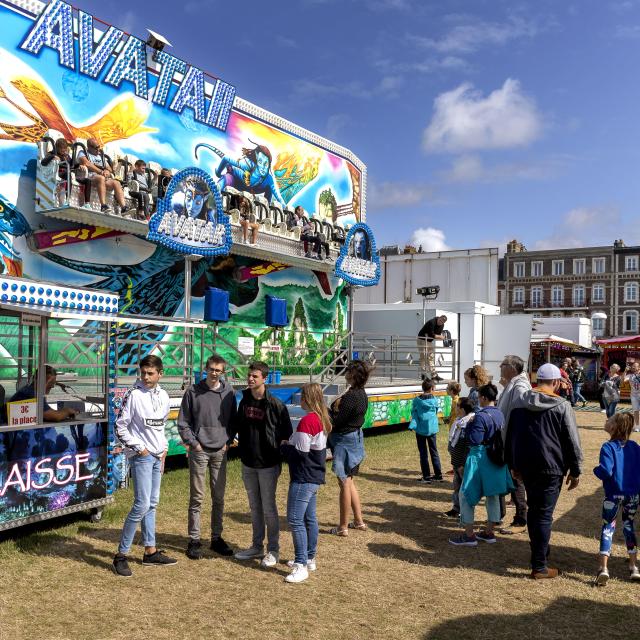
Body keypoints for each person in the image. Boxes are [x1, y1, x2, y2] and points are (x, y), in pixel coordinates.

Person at [507, 363, 583, 579]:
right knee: (543, 515)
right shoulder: (562, 405)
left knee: (535, 511)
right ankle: (539, 565)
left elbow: (511, 436)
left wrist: (514, 465)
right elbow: (571, 440)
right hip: (551, 468)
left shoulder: (519, 403)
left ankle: (540, 553)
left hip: (527, 468)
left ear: (536, 381)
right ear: (557, 383)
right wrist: (576, 470)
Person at [112, 355, 176, 577]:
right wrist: (140, 449)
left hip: (158, 455)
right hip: (142, 456)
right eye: (143, 373)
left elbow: (162, 426)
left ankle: (150, 551)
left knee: (152, 503)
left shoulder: (164, 395)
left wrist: (164, 447)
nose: (146, 377)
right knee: (141, 504)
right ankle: (121, 555)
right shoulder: (133, 394)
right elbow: (120, 427)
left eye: (151, 373)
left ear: (161, 373)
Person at [177, 354, 237, 560]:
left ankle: (216, 538)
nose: (213, 373)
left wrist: (227, 442)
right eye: (211, 369)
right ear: (205, 369)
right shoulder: (193, 391)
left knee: (218, 497)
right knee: (197, 497)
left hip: (220, 451)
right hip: (199, 451)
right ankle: (194, 539)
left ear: (223, 372)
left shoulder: (229, 391)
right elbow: (183, 422)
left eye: (218, 370)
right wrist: (195, 444)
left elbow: (233, 420)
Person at [233, 361, 292, 567]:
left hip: (268, 465)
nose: (250, 379)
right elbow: (239, 425)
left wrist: (277, 452)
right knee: (254, 507)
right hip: (248, 464)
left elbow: (286, 433)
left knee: (269, 508)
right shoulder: (244, 401)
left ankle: (273, 550)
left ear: (264, 379)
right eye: (249, 375)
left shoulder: (276, 404)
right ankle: (256, 546)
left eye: (254, 376)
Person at [449, 384, 514, 546]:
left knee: (466, 495)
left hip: (479, 458)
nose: (477, 400)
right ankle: (489, 532)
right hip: (496, 458)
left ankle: (469, 535)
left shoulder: (479, 416)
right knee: (492, 495)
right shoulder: (500, 413)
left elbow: (475, 439)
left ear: (484, 398)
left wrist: (469, 424)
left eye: (479, 397)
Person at [280, 383, 330, 584]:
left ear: (307, 399)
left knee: (295, 519)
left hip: (304, 477)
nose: (299, 399)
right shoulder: (321, 418)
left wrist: (284, 447)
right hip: (314, 476)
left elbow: (300, 453)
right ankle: (309, 557)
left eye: (302, 396)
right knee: (310, 518)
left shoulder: (308, 421)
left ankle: (301, 564)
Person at [593, 413, 640, 586]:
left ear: (614, 427)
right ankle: (634, 567)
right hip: (633, 495)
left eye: (609, 420)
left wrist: (595, 471)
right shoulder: (636, 447)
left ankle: (603, 568)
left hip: (613, 495)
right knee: (629, 526)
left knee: (608, 527)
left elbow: (605, 470)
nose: (606, 421)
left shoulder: (608, 447)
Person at [328, 360, 370, 536]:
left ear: (353, 375)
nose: (345, 373)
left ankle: (342, 526)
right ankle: (358, 521)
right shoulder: (360, 393)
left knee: (344, 481)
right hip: (353, 438)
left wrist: (325, 413)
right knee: (349, 480)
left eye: (348, 371)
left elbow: (337, 421)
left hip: (345, 440)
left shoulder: (353, 395)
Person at [496, 355, 531, 530]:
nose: (500, 367)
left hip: (514, 440)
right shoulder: (513, 384)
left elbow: (521, 414)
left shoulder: (520, 385)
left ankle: (521, 518)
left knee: (516, 479)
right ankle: (502, 515)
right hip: (508, 438)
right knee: (509, 477)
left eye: (503, 364)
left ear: (511, 367)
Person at [76, 138, 128, 214]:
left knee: (116, 183)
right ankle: (103, 205)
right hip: (89, 175)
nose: (98, 149)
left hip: (101, 177)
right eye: (96, 147)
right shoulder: (83, 153)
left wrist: (107, 172)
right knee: (101, 178)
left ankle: (123, 208)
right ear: (89, 147)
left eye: (99, 147)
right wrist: (100, 171)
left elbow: (109, 168)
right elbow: (87, 163)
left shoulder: (101, 156)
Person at [8, 366, 77, 423]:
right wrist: (67, 411)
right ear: (37, 380)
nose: (52, 386)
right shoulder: (32, 394)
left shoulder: (33, 390)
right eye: (49, 383)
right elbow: (55, 416)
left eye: (53, 383)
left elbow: (47, 411)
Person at [444, 397, 475, 519]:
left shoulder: (468, 424)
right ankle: (456, 509)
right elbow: (454, 442)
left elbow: (467, 446)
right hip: (456, 462)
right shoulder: (459, 421)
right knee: (457, 487)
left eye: (457, 406)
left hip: (463, 463)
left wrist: (462, 463)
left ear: (462, 409)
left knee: (464, 489)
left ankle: (465, 513)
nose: (455, 408)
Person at [409, 378, 442, 484]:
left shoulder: (416, 401)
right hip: (432, 429)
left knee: (423, 453)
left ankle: (426, 476)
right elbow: (436, 411)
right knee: (434, 451)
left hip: (420, 430)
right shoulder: (435, 400)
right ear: (432, 388)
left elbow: (413, 411)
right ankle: (438, 475)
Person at [41, 138, 72, 205]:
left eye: (65, 148)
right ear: (57, 148)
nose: (64, 150)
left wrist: (79, 165)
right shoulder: (51, 153)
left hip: (64, 175)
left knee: (66, 178)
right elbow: (43, 162)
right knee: (66, 177)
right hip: (55, 172)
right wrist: (53, 156)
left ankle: (67, 200)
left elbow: (72, 165)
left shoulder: (66, 155)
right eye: (62, 148)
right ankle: (63, 201)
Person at [417, 315, 447, 381]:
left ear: (443, 323)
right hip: (422, 339)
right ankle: (424, 374)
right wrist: (440, 337)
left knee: (431, 357)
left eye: (442, 322)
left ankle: (433, 375)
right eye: (440, 320)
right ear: (438, 318)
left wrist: (437, 336)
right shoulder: (432, 322)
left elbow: (436, 334)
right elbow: (432, 335)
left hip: (429, 340)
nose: (440, 322)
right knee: (423, 357)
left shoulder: (441, 325)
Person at [624, 361, 640, 432]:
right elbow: (623, 380)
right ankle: (637, 426)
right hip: (634, 395)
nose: (633, 367)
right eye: (632, 366)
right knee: (636, 411)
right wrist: (625, 371)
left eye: (635, 366)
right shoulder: (630, 375)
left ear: (638, 367)